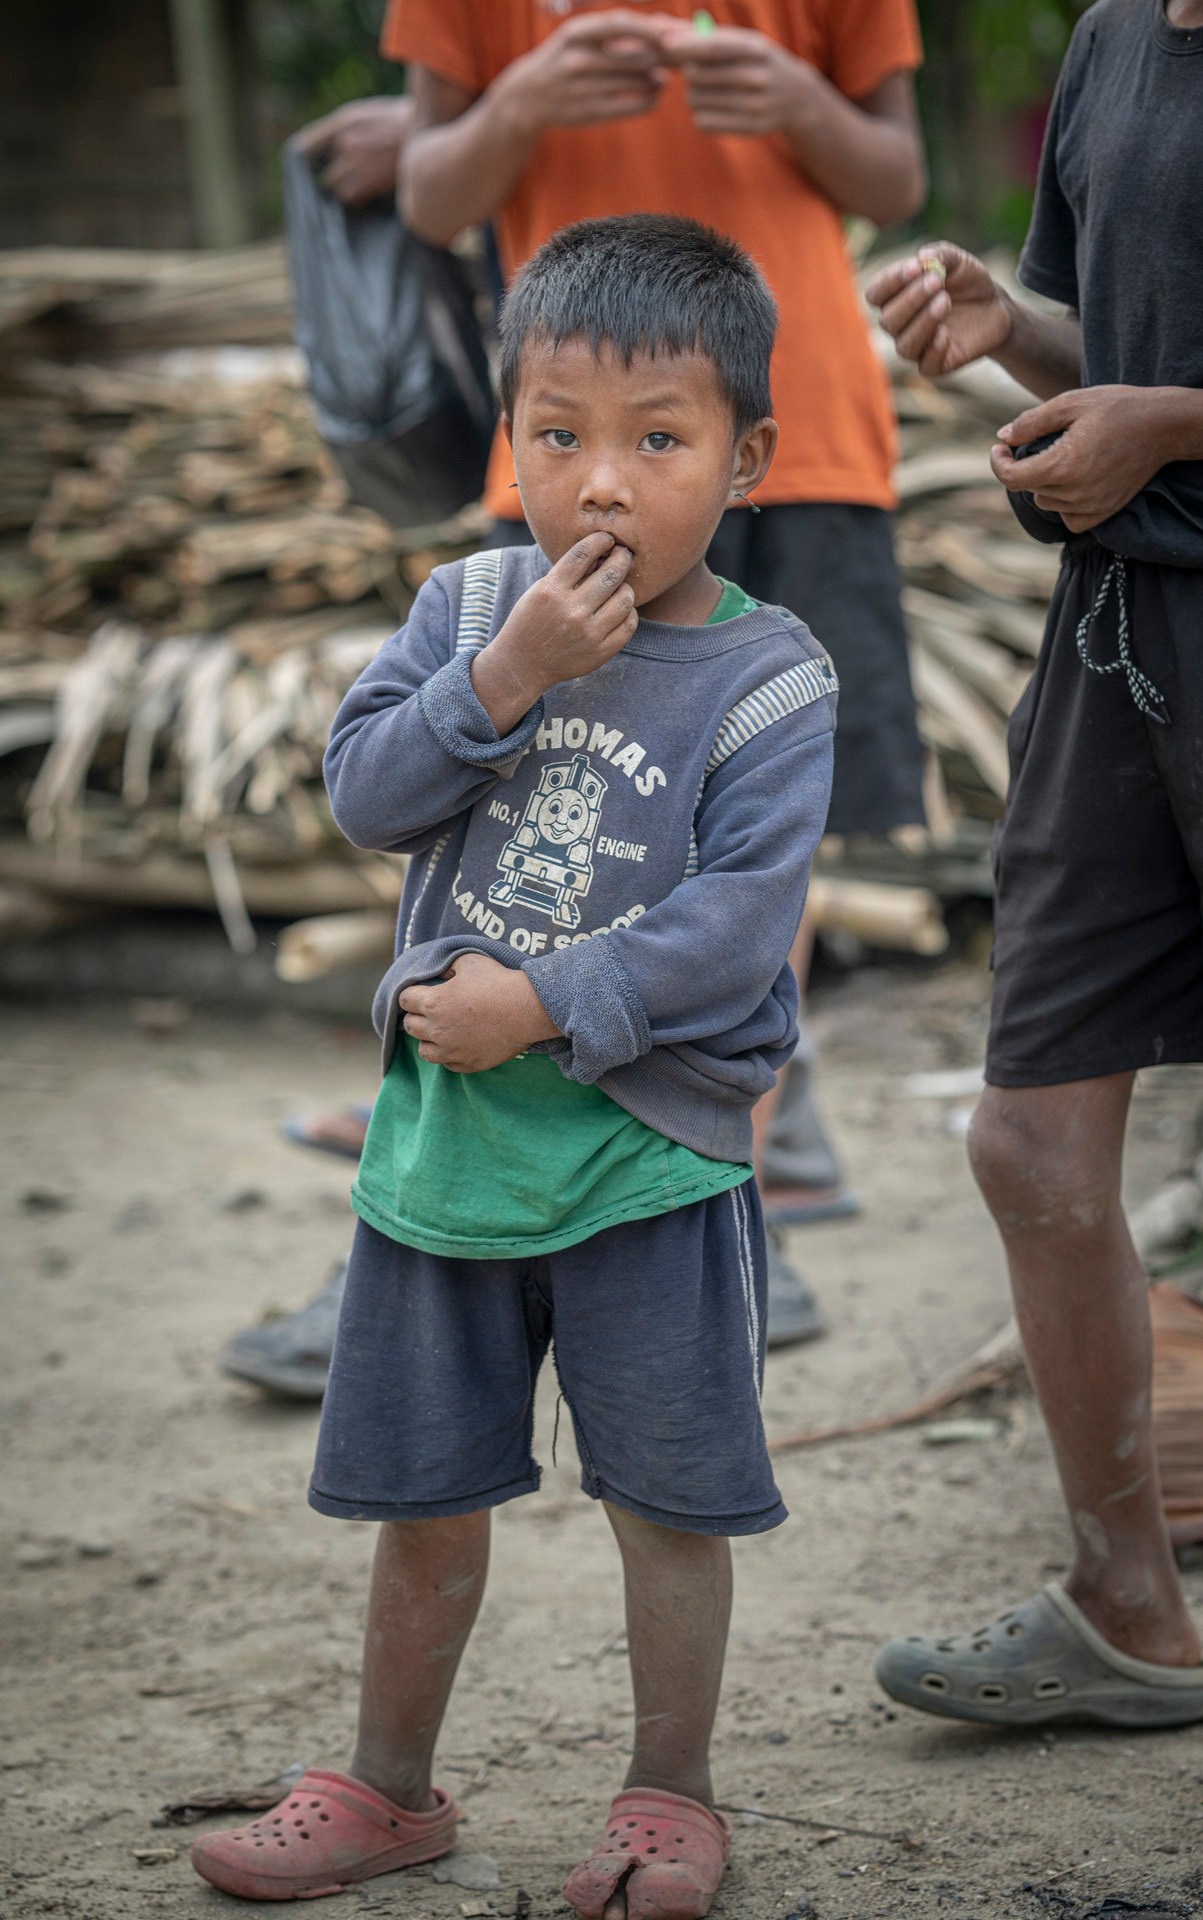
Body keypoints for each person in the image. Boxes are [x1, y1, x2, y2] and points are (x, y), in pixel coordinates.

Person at [191, 213, 836, 1915]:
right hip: (452, 1151)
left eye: (658, 440)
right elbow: (366, 796)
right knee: (427, 1493)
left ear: (750, 456)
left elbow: (736, 927)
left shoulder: (771, 682)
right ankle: (389, 1788)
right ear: (509, 445)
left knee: (666, 1499)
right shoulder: (469, 602)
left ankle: (667, 1797)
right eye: (560, 436)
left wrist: (539, 1002)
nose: (602, 484)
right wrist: (509, 672)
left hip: (648, 1155)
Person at [220, 0, 929, 1380]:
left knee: (750, 850)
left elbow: (897, 179)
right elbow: (432, 188)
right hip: (553, 440)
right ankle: (435, 1203)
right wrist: (528, 94)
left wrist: (794, 99)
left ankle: (735, 1197)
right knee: (518, 807)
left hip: (807, 432)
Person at [866, 0, 1203, 1729]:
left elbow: (1163, 394)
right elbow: (1111, 350)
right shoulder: (1113, 39)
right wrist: (1017, 330)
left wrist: (1178, 421)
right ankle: (1127, 1603)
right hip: (1120, 632)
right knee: (1032, 1135)